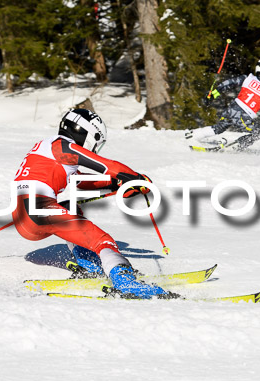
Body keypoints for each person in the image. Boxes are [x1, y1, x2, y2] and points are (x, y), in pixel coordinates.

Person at [12, 108, 169, 299]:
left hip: (23, 217)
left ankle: (89, 265)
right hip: (40, 209)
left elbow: (81, 181)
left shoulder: (48, 146)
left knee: (70, 206)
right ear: (87, 133)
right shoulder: (63, 147)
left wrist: (117, 184)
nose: (94, 147)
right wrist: (135, 178)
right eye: (96, 142)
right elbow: (107, 165)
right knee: (103, 240)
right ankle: (125, 282)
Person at [185, 57, 260, 151]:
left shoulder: (247, 78)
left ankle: (192, 135)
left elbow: (227, 84)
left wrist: (213, 94)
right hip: (243, 115)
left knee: (219, 128)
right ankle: (236, 146)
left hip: (231, 109)